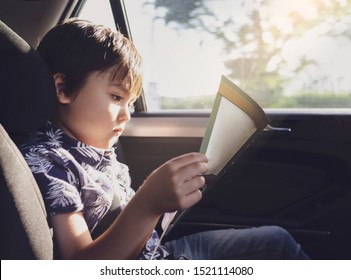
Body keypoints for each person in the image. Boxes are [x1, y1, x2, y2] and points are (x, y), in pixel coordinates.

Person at [20, 18, 308, 260]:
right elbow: (80, 268)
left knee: (277, 240)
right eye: (117, 97)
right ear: (63, 88)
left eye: (131, 103)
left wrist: (167, 200)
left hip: (162, 254)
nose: (126, 115)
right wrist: (148, 203)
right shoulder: (47, 160)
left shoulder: (97, 148)